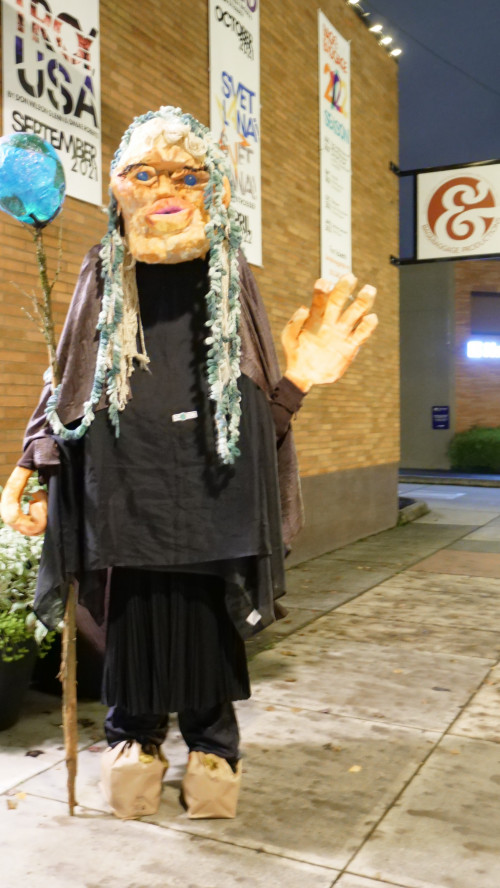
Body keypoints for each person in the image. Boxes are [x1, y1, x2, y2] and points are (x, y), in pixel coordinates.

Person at [0, 106, 377, 818]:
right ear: (117, 187)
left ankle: (212, 748)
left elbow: (259, 408)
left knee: (207, 626)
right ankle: (132, 741)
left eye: (186, 175)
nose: (165, 190)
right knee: (131, 626)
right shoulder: (99, 271)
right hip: (123, 492)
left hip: (213, 493)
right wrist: (35, 458)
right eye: (144, 173)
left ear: (215, 188)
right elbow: (67, 379)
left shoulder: (228, 276)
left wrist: (297, 381)